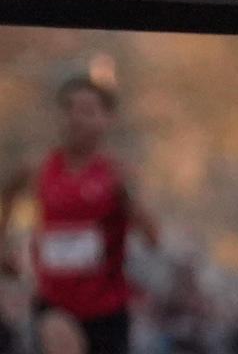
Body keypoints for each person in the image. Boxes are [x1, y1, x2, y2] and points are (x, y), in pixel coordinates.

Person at [0, 77, 159, 354]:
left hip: (106, 308)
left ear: (106, 119)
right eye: (69, 109)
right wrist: (3, 248)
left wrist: (130, 199)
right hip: (53, 302)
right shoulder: (38, 167)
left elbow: (153, 237)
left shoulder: (118, 174)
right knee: (58, 339)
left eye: (87, 111)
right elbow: (6, 196)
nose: (76, 118)